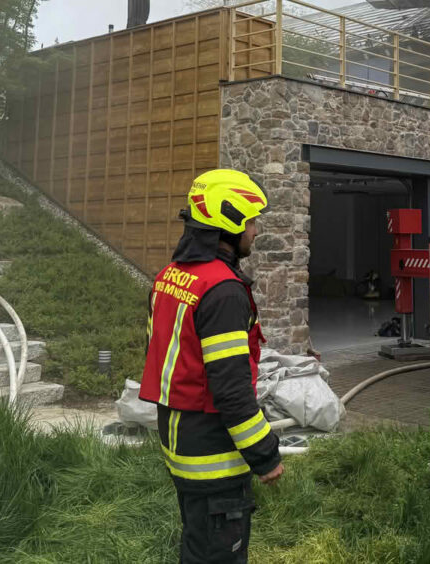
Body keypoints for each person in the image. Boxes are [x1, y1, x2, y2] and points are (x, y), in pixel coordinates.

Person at [139, 169, 282, 564]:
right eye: (251, 220)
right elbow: (231, 390)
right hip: (212, 459)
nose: (255, 230)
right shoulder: (222, 291)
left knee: (197, 544)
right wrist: (266, 455)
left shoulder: (171, 276)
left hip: (179, 445)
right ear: (229, 224)